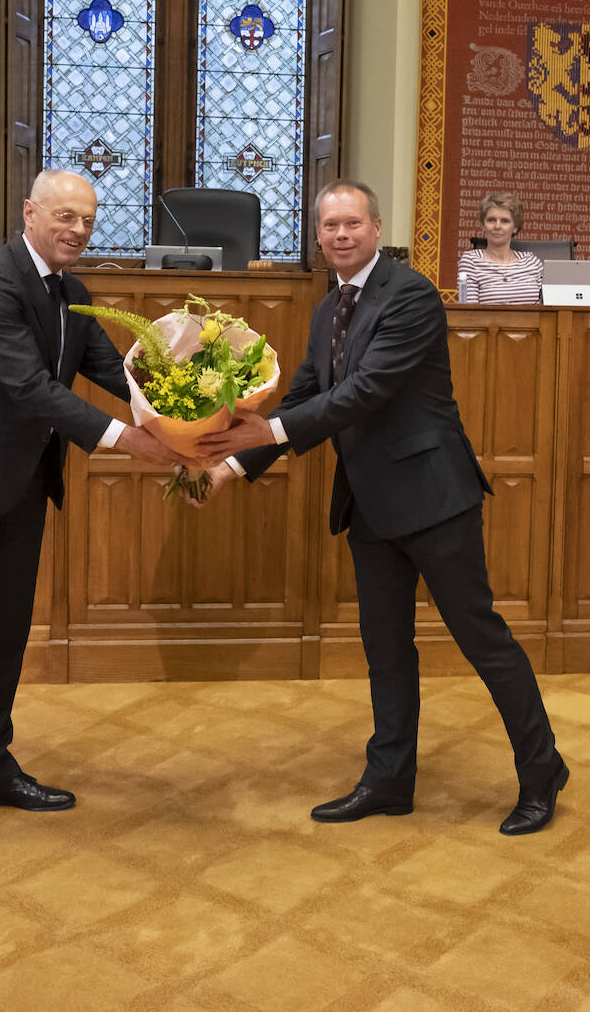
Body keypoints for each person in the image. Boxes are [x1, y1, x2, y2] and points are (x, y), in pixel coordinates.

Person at [194, 180, 568, 835]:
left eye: (352, 223)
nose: (340, 235)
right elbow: (306, 396)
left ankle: (542, 772)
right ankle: (390, 779)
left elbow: (365, 392)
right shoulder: (325, 310)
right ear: (318, 236)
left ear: (375, 228)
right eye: (329, 226)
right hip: (369, 504)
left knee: (483, 641)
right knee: (385, 648)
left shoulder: (412, 295)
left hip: (434, 498)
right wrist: (230, 463)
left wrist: (264, 434)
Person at [0, 169, 194, 883]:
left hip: (23, 488)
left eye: (87, 219)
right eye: (64, 216)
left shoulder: (71, 293)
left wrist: (191, 402)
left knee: (3, 638)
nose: (77, 230)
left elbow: (117, 372)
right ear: (29, 212)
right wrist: (132, 443)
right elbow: (28, 388)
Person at [455, 191, 543, 304]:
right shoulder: (471, 261)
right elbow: (469, 312)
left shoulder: (531, 262)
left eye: (505, 221)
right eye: (491, 220)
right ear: (483, 225)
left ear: (515, 227)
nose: (497, 226)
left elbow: (547, 307)